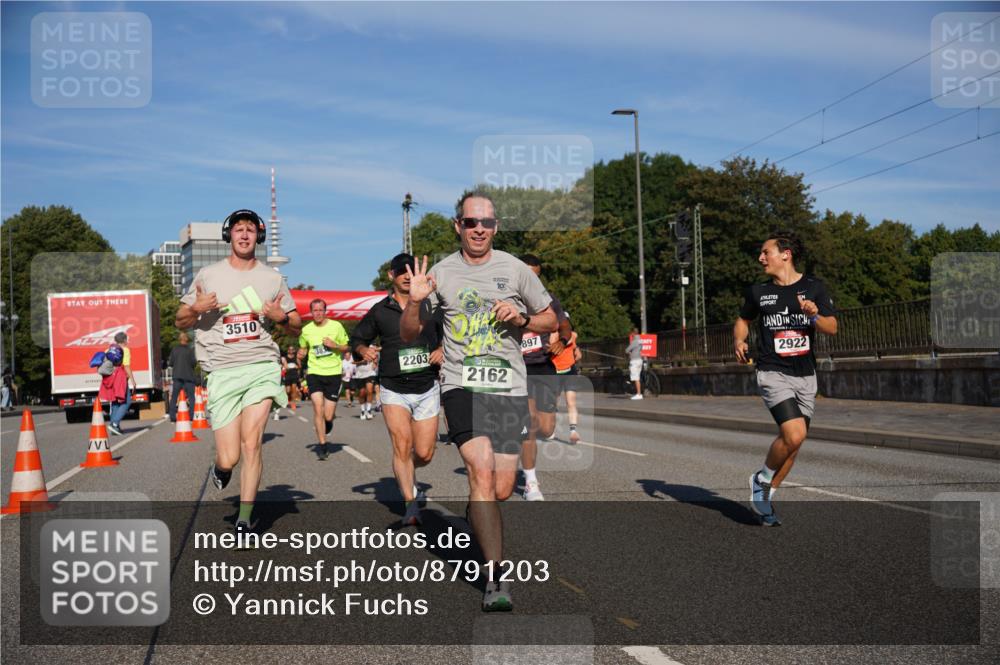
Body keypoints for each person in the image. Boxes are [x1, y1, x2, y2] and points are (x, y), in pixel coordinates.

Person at [400, 191, 557, 611]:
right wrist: (415, 301)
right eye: (471, 222)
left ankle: (479, 512)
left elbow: (551, 319)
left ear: (496, 226)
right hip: (460, 383)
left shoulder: (516, 269)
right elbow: (410, 334)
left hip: (506, 386)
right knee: (481, 470)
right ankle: (495, 579)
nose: (479, 229)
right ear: (458, 225)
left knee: (502, 487)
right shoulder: (441, 272)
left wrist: (522, 318)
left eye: (486, 222)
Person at [176, 209, 301, 534]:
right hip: (222, 370)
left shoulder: (273, 279)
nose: (244, 235)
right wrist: (195, 308)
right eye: (238, 230)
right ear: (228, 236)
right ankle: (221, 468)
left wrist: (282, 317)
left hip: (261, 366)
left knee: (252, 444)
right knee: (230, 456)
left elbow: (296, 326)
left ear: (258, 236)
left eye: (249, 230)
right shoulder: (207, 275)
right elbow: (180, 320)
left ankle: (245, 520)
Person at [734, 230, 837, 527]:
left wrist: (815, 315)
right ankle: (761, 478)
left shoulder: (814, 288)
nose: (761, 258)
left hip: (806, 375)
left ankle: (765, 496)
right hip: (772, 371)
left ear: (785, 254)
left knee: (794, 444)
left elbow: (832, 328)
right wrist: (739, 341)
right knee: (794, 434)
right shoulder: (758, 292)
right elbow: (743, 319)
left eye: (766, 252)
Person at [351, 253, 444, 526]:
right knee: (402, 445)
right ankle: (410, 504)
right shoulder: (380, 310)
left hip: (427, 385)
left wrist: (441, 349)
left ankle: (407, 468)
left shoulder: (431, 306)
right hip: (393, 386)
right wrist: (362, 349)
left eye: (410, 270)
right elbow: (357, 338)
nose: (406, 275)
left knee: (424, 453)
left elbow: (451, 335)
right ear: (391, 276)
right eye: (400, 271)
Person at [517, 255, 572, 501]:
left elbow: (565, 326)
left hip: (544, 368)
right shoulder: (507, 299)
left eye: (535, 275)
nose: (531, 279)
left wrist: (561, 341)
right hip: (518, 369)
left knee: (546, 428)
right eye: (527, 273)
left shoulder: (548, 301)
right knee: (527, 424)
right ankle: (531, 483)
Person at [298, 298, 350, 460]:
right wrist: (302, 353)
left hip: (333, 373)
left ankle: (328, 423)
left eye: (321, 310)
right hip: (314, 373)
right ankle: (322, 445)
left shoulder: (337, 326)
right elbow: (303, 347)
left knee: (328, 415)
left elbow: (347, 346)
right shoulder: (306, 330)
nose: (318, 313)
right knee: (317, 407)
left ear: (325, 311)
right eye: (315, 310)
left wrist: (335, 345)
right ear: (311, 312)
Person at [550, 313, 582, 444]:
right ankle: (550, 429)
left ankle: (573, 431)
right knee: (554, 404)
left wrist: (572, 355)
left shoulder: (573, 335)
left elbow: (578, 355)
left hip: (569, 372)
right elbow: (552, 344)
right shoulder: (553, 335)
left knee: (571, 402)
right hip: (555, 372)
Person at [108, 331, 137, 434]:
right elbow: (126, 366)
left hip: (111, 379)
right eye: (127, 339)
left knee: (115, 402)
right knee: (126, 401)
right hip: (121, 379)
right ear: (124, 340)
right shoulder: (125, 350)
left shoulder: (109, 349)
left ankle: (114, 427)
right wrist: (133, 381)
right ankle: (115, 423)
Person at [168, 332, 197, 422]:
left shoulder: (175, 350)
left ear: (179, 339)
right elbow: (194, 363)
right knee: (191, 398)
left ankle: (172, 417)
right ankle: (191, 416)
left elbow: (171, 363)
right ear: (186, 339)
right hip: (188, 377)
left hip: (177, 377)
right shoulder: (190, 350)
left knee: (174, 397)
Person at [353, 354, 377, 420]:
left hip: (370, 373)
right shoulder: (356, 349)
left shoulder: (371, 348)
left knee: (370, 390)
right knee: (362, 392)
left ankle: (368, 410)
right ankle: (363, 411)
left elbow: (375, 356)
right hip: (360, 374)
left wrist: (375, 362)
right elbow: (352, 362)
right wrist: (362, 362)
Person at [625, 327, 643, 400]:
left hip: (634, 361)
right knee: (637, 377)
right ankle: (638, 393)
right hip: (639, 360)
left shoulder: (634, 341)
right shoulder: (640, 340)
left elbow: (627, 350)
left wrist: (630, 352)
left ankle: (639, 394)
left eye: (631, 333)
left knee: (636, 378)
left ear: (633, 333)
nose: (630, 335)